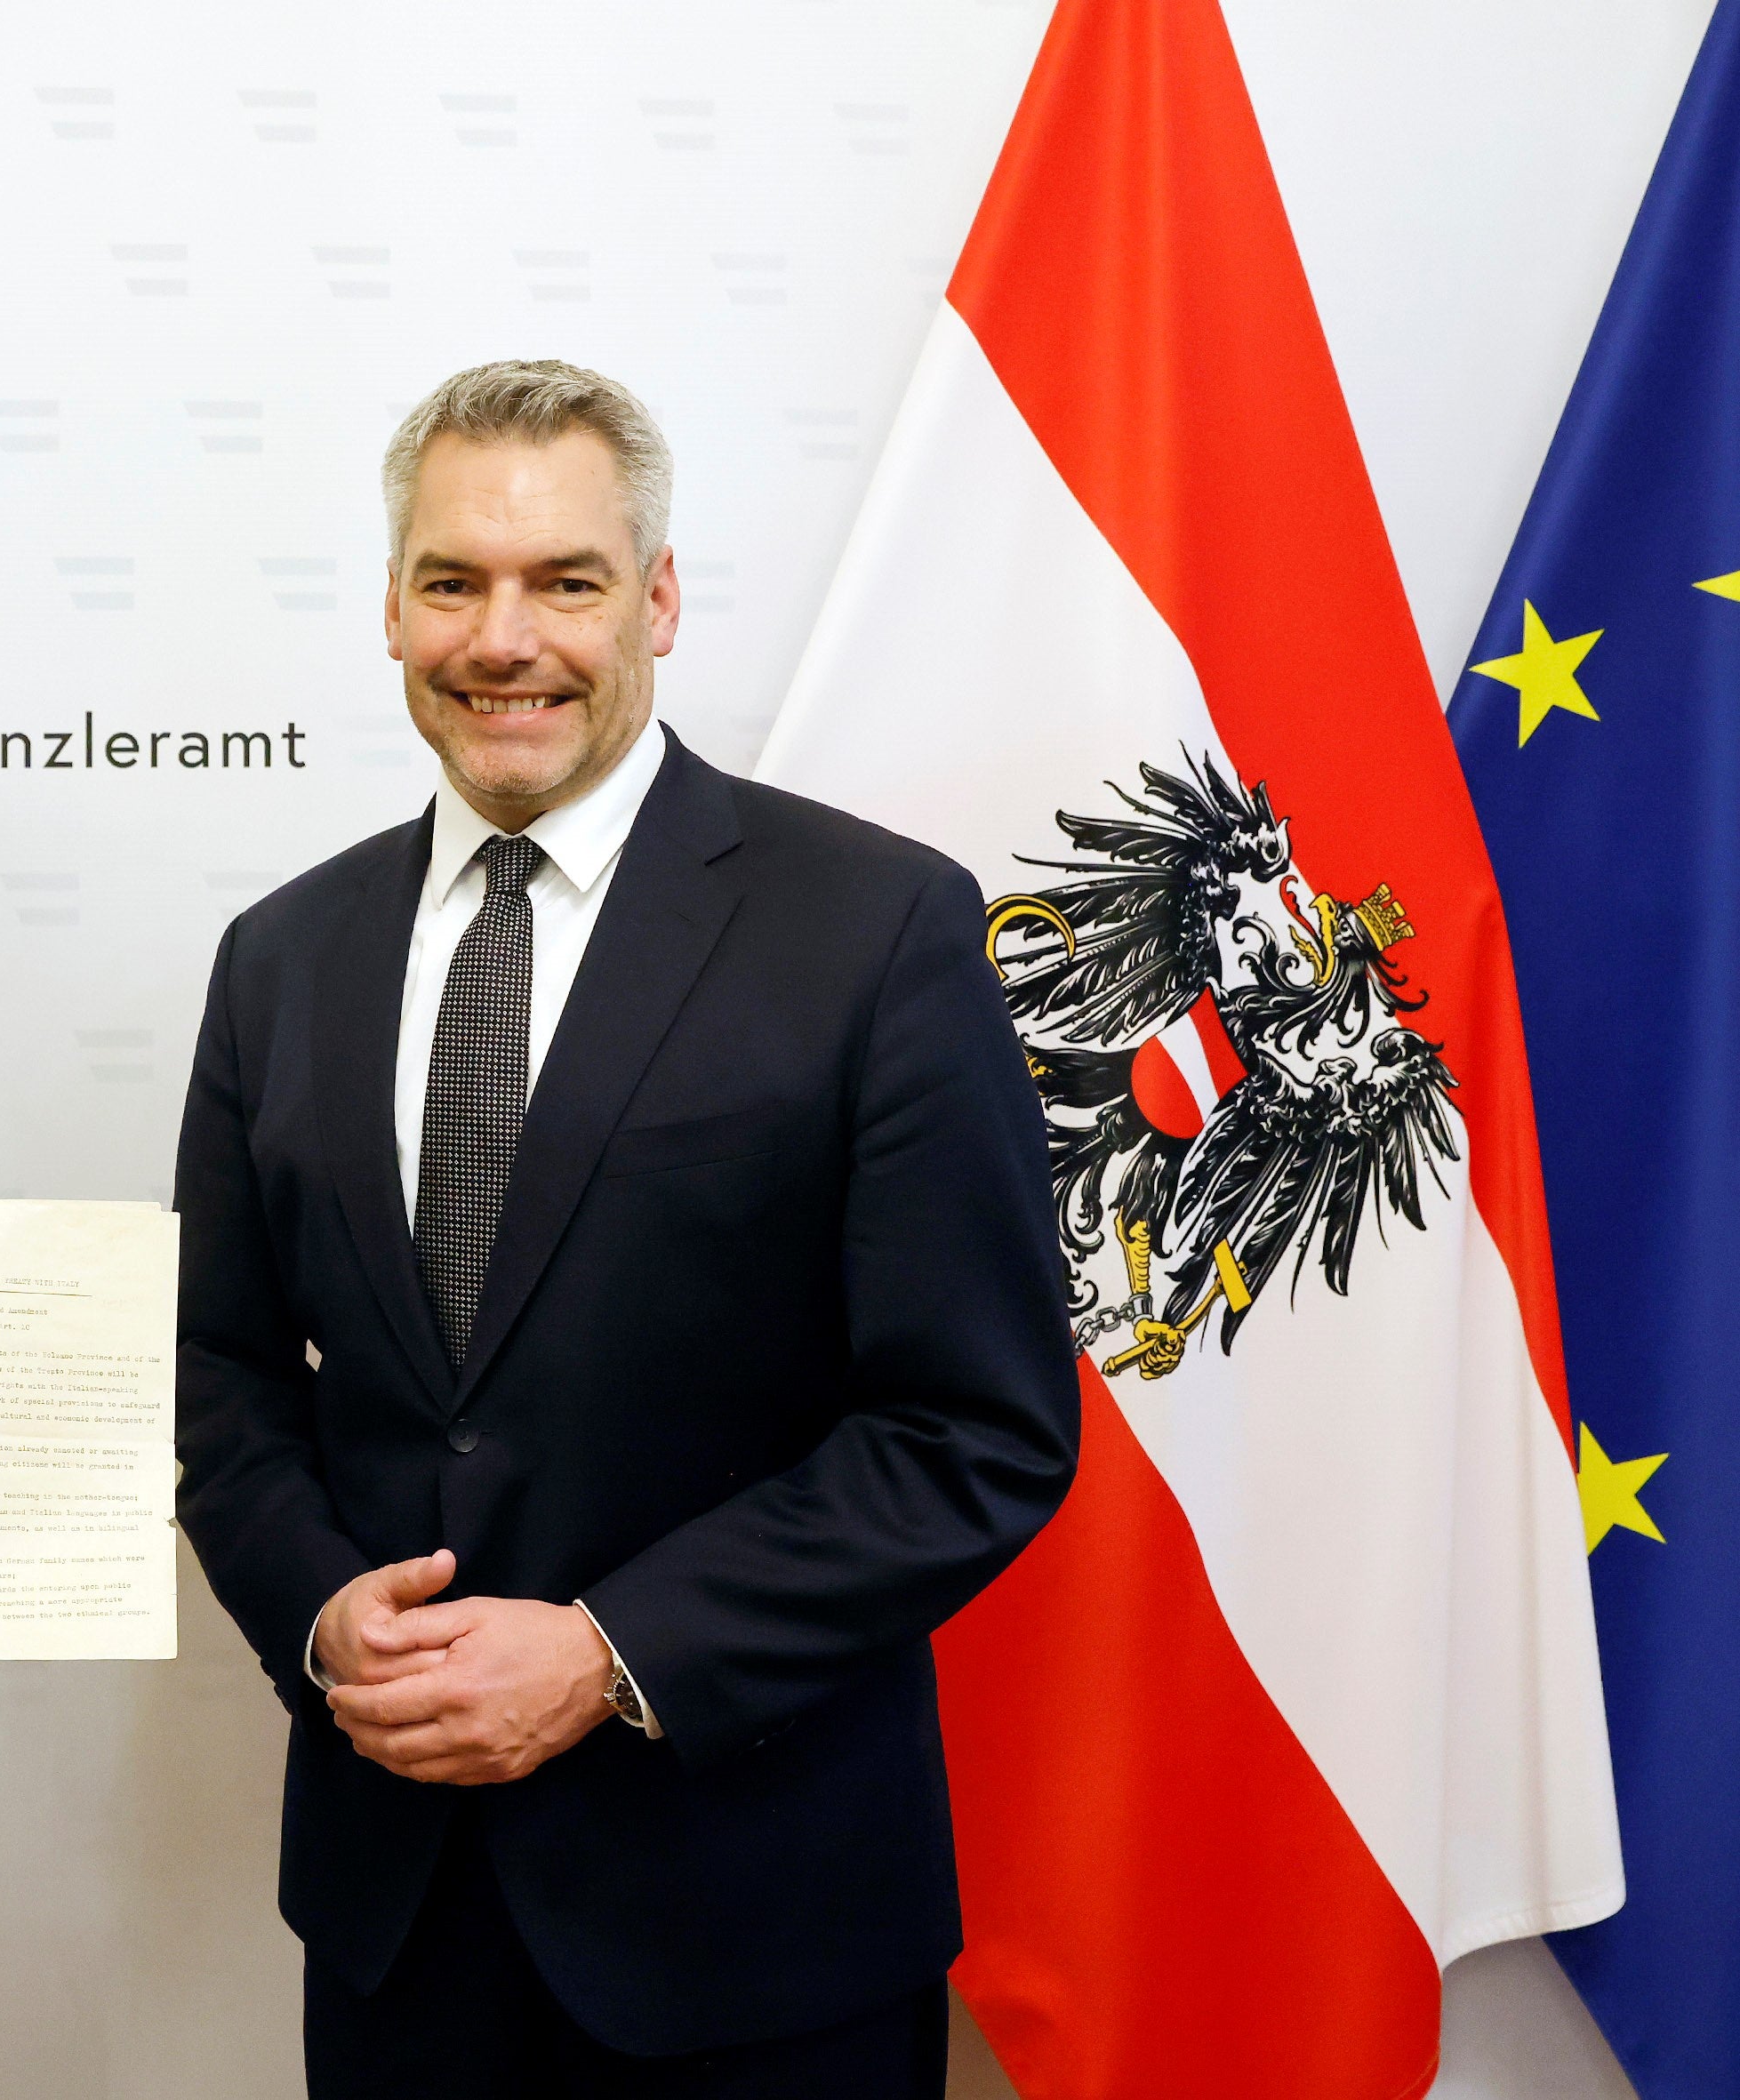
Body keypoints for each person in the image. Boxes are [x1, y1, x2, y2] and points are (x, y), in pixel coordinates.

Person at [173, 359, 1081, 2099]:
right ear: (391, 609)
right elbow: (218, 1372)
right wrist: (319, 1612)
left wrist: (610, 1653)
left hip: (759, 1932)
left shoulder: (878, 927)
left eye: (565, 581)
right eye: (453, 581)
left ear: (655, 600)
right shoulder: (280, 955)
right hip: (396, 1921)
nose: (503, 638)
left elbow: (973, 1427)